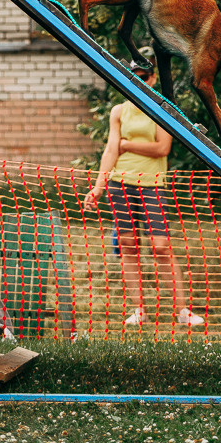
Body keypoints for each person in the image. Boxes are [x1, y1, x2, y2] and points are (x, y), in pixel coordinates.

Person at [84, 52, 204, 328]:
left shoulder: (164, 109)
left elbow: (162, 148)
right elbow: (110, 150)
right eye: (133, 77)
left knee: (161, 247)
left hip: (152, 184)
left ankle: (182, 310)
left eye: (144, 77)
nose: (139, 82)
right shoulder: (119, 111)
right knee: (127, 245)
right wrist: (98, 187)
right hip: (120, 184)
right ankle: (139, 309)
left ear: (153, 78)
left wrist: (127, 145)